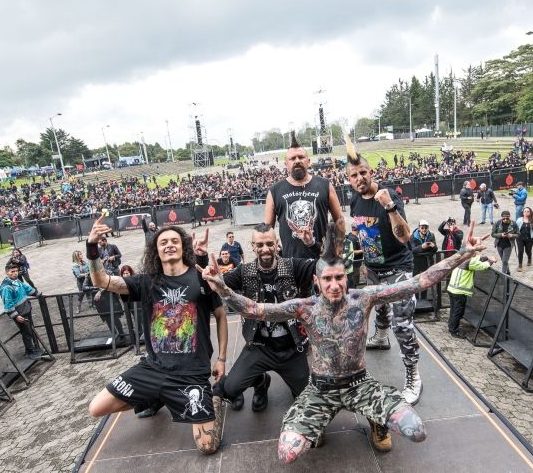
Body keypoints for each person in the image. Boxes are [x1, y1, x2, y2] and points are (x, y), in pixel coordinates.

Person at [199, 222, 487, 463]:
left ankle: (377, 418)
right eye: (327, 279)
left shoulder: (364, 298)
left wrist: (462, 254)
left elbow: (419, 282)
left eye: (339, 278)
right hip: (321, 388)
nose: (334, 285)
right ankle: (319, 421)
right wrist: (223, 287)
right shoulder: (305, 307)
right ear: (317, 280)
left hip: (360, 384)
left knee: (417, 431)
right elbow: (255, 310)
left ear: (347, 279)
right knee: (287, 452)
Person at [84, 219, 228, 455]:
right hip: (153, 369)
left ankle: (214, 398)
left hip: (190, 374)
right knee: (96, 408)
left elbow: (221, 316)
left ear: (184, 247)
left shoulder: (201, 277)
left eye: (175, 241)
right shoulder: (145, 281)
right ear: (156, 250)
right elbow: (100, 281)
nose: (169, 245)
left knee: (208, 446)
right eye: (163, 242)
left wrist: (221, 358)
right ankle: (155, 395)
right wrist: (92, 247)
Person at [197, 223, 317, 418]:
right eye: (259, 245)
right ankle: (261, 382)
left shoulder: (292, 266)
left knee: (307, 401)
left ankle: (292, 382)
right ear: (252, 246)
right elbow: (208, 286)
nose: (265, 249)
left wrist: (312, 244)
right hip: (260, 346)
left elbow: (329, 266)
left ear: (277, 244)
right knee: (232, 387)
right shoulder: (246, 272)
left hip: (292, 349)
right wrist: (202, 260)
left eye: (270, 243)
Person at [346, 151, 421, 405]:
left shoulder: (389, 196)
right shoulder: (354, 200)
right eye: (354, 175)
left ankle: (413, 376)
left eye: (363, 173)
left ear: (371, 173)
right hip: (375, 268)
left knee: (403, 324)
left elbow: (404, 237)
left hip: (398, 268)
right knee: (377, 308)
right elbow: (362, 230)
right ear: (349, 179)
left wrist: (389, 207)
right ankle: (380, 337)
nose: (359, 178)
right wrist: (367, 261)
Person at [264, 131, 346, 260]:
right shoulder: (275, 191)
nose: (297, 161)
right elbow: (267, 230)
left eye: (301, 157)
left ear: (308, 161)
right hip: (290, 262)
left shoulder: (324, 184)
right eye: (292, 158)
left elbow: (339, 219)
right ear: (286, 164)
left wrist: (338, 251)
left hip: (322, 258)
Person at [0, 263, 44, 360]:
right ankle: (29, 351)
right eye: (12, 272)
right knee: (26, 332)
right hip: (20, 313)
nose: (15, 273)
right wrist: (15, 316)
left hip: (26, 309)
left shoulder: (17, 282)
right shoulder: (6, 287)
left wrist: (39, 294)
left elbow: (27, 289)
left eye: (16, 271)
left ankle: (33, 349)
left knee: (29, 330)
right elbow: (8, 303)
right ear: (7, 273)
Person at [447, 253, 497, 339]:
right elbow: (482, 266)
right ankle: (454, 331)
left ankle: (451, 326)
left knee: (454, 309)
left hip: (452, 288)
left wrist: (486, 257)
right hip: (459, 291)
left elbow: (476, 259)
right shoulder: (470, 262)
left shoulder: (462, 257)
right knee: (458, 311)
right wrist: (491, 261)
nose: (477, 253)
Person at [491, 211, 519, 275]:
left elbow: (518, 234)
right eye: (504, 218)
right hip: (499, 245)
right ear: (501, 217)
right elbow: (493, 234)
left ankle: (503, 275)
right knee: (503, 260)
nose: (505, 220)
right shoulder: (497, 223)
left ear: (509, 217)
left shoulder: (514, 224)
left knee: (504, 261)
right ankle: (508, 271)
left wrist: (511, 236)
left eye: (507, 218)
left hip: (508, 245)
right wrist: (501, 235)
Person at [515, 207, 533, 271]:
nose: (526, 213)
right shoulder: (519, 220)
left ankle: (529, 258)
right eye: (525, 211)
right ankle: (520, 264)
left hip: (530, 238)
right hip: (520, 238)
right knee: (520, 251)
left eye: (528, 211)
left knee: (528, 250)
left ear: (530, 212)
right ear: (523, 213)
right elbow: (515, 229)